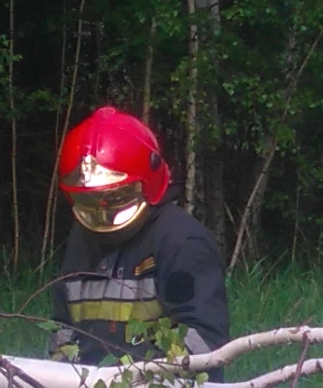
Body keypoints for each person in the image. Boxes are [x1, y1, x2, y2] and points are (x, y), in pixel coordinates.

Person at [49, 108, 231, 361]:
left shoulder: (182, 243)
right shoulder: (82, 239)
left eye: (115, 197)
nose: (103, 212)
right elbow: (64, 329)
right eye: (89, 200)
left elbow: (205, 339)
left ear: (148, 182)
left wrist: (134, 380)